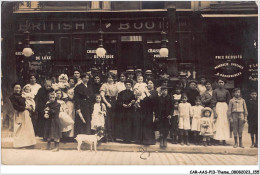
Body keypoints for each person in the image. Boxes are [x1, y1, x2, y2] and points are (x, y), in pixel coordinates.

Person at [9, 83, 36, 148]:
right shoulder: (12, 97)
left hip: (26, 114)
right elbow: (16, 106)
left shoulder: (23, 96)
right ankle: (19, 144)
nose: (17, 89)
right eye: (16, 88)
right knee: (19, 129)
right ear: (13, 88)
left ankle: (29, 144)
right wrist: (25, 108)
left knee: (27, 128)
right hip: (19, 113)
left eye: (19, 88)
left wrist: (30, 108)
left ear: (21, 89)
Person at [211, 78, 231, 145]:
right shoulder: (215, 91)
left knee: (225, 123)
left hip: (225, 107)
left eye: (222, 82)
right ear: (217, 83)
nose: (220, 83)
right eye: (219, 82)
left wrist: (229, 111)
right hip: (218, 106)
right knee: (218, 123)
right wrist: (214, 111)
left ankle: (224, 139)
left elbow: (229, 102)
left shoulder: (227, 91)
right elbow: (213, 102)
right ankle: (217, 139)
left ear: (224, 83)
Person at [100, 72, 119, 141]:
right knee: (107, 119)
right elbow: (102, 96)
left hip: (114, 102)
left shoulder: (115, 86)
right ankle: (106, 136)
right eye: (109, 77)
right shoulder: (104, 85)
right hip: (107, 101)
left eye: (111, 78)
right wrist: (107, 103)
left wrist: (116, 102)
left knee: (113, 118)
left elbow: (117, 95)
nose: (110, 79)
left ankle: (113, 136)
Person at [140, 79, 157, 145]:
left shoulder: (154, 92)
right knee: (144, 125)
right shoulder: (144, 92)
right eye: (148, 83)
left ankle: (150, 140)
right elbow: (142, 101)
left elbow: (152, 100)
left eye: (151, 83)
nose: (149, 84)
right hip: (144, 110)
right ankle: (144, 140)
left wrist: (147, 93)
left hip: (150, 111)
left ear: (153, 85)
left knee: (149, 125)